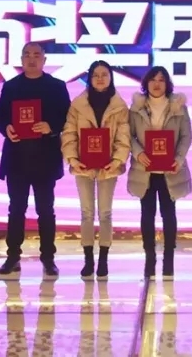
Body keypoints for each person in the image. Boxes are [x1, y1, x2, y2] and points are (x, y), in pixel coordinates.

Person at [0, 42, 70, 279]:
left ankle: (48, 258)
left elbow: (67, 117)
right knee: (16, 209)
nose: (32, 59)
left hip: (45, 158)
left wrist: (51, 126)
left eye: (37, 55)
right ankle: (12, 257)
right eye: (27, 55)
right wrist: (6, 128)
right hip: (17, 158)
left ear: (44, 59)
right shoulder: (11, 86)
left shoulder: (56, 86)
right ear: (21, 59)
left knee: (45, 210)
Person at [61, 60, 130, 279]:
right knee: (87, 213)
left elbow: (124, 136)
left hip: (109, 166)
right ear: (90, 79)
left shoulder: (120, 106)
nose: (100, 79)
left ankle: (103, 260)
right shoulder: (77, 105)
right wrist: (72, 159)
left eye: (104, 75)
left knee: (105, 213)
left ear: (111, 78)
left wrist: (117, 160)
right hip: (83, 166)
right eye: (95, 75)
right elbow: (69, 133)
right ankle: (88, 259)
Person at [129, 66, 192, 279]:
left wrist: (179, 158)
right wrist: (138, 153)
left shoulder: (178, 106)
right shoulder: (137, 107)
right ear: (146, 83)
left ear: (167, 84)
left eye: (161, 80)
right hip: (144, 170)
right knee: (147, 215)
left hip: (170, 170)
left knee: (169, 214)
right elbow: (128, 135)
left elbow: (186, 136)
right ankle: (149, 258)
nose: (157, 84)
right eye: (153, 80)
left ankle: (169, 259)